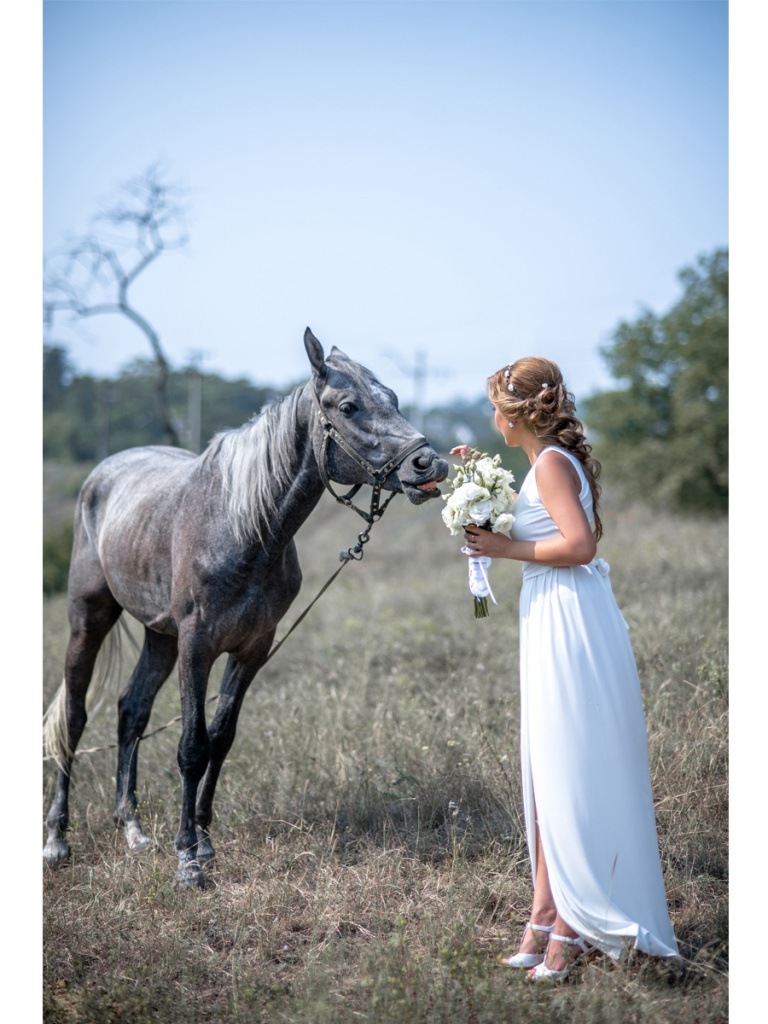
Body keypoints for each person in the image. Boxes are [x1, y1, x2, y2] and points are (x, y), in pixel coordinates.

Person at [453, 356, 679, 982]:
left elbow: (579, 545)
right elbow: (543, 523)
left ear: (516, 412)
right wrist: (472, 480)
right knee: (554, 768)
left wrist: (504, 548)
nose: (492, 416)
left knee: (570, 768)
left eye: (497, 406)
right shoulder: (543, 463)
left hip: (569, 613)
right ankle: (546, 913)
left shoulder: (551, 463)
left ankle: (574, 926)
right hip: (553, 609)